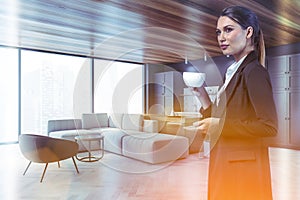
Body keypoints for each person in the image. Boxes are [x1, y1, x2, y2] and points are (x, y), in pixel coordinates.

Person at [192, 6, 278, 200]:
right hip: (226, 161)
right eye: (218, 32)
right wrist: (201, 94)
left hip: (242, 170)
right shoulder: (232, 71)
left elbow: (269, 126)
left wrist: (219, 126)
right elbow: (219, 116)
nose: (221, 37)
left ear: (248, 32)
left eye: (228, 30)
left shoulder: (254, 71)